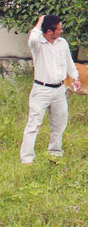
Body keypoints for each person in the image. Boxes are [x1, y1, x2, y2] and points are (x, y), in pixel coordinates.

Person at [20, 14, 80, 165]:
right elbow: (33, 37)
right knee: (34, 124)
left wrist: (75, 77)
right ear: (48, 31)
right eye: (58, 29)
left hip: (59, 90)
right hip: (41, 90)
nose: (61, 31)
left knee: (59, 123)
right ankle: (27, 159)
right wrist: (40, 20)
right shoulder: (38, 44)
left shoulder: (62, 43)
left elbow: (69, 61)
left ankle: (55, 152)